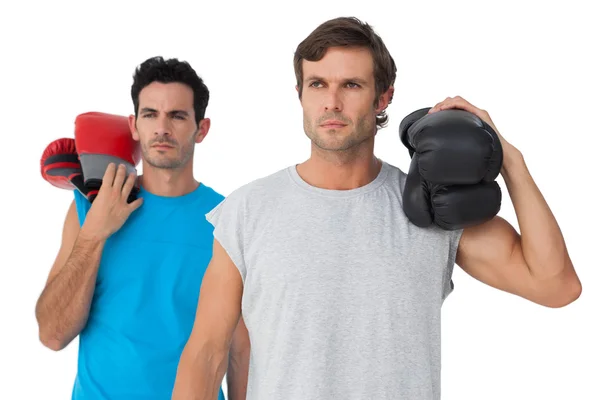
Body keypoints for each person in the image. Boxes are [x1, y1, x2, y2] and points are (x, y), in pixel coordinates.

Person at [170, 17, 582, 400]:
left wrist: (508, 158)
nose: (331, 102)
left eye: (351, 85)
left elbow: (556, 286)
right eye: (317, 85)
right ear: (300, 94)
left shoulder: (431, 209)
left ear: (383, 97)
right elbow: (206, 354)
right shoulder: (248, 210)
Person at [35, 56, 249, 399]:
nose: (162, 128)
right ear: (134, 126)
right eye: (150, 114)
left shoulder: (229, 219)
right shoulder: (91, 206)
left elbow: (241, 350)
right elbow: (52, 334)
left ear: (202, 128)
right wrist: (95, 232)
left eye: (177, 116)